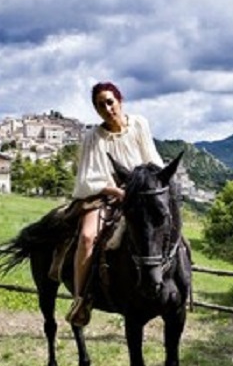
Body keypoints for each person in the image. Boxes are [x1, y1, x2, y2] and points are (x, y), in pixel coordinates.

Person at [65, 81, 164, 326]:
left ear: (120, 101)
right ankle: (81, 299)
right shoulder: (93, 137)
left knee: (163, 222)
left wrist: (146, 187)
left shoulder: (139, 124)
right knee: (88, 237)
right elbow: (87, 178)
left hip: (139, 193)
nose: (107, 108)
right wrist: (115, 190)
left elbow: (152, 159)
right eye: (100, 105)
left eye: (110, 102)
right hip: (104, 195)